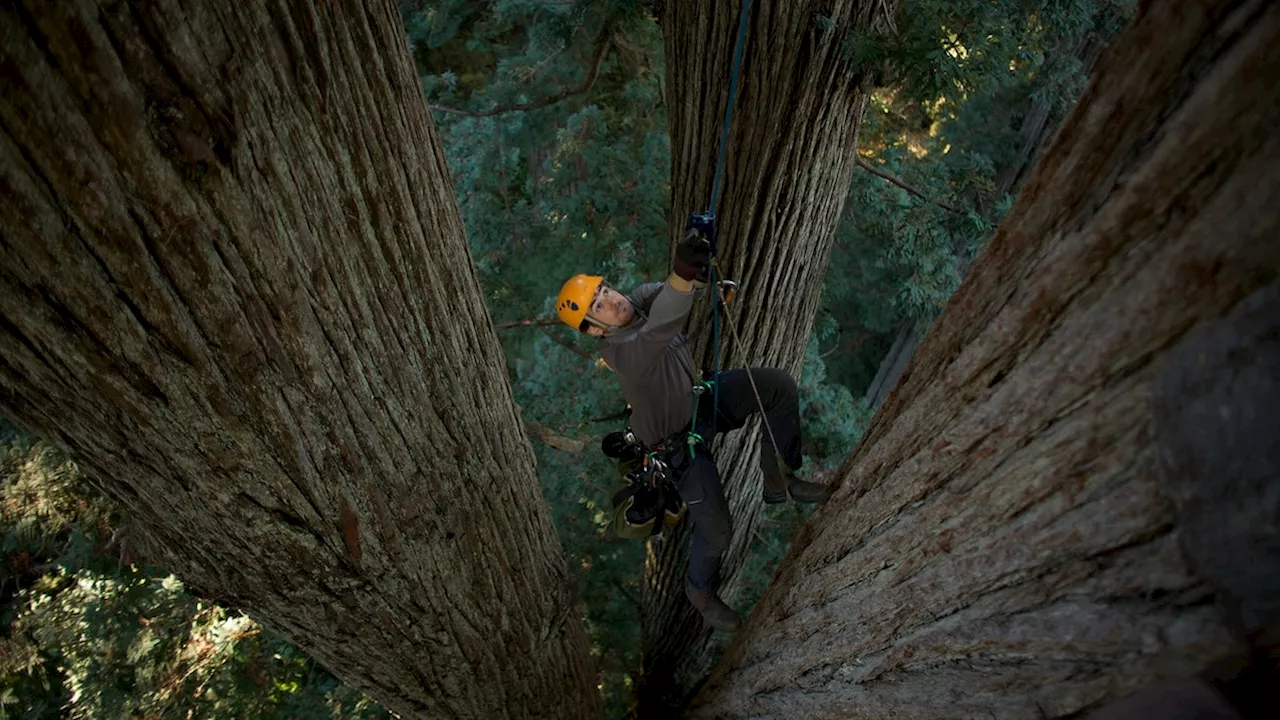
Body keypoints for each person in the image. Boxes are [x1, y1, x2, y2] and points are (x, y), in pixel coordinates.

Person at [554, 230, 832, 632]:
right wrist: (684, 276)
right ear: (594, 329)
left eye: (605, 289)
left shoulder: (637, 301)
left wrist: (698, 265)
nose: (612, 300)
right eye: (599, 305)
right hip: (675, 447)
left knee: (777, 387)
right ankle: (698, 591)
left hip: (702, 401)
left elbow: (667, 291)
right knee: (717, 529)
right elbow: (665, 319)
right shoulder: (622, 354)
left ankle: (780, 479)